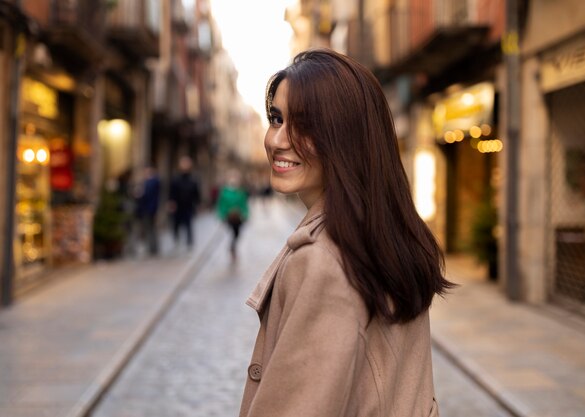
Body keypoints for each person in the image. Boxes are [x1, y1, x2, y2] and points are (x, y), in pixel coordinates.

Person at [238, 49, 455, 417]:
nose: (275, 140)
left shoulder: (323, 262)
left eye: (305, 125)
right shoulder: (387, 238)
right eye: (276, 118)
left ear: (346, 139)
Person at [168, 156, 200, 249]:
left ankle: (189, 242)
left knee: (189, 224)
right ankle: (176, 240)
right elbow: (171, 191)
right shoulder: (176, 178)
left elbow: (197, 193)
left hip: (189, 205)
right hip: (178, 205)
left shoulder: (193, 179)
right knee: (176, 224)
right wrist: (171, 202)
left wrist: (197, 203)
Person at [216, 170, 249, 260]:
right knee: (233, 232)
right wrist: (222, 215)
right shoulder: (224, 192)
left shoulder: (240, 191)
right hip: (229, 217)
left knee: (237, 233)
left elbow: (244, 204)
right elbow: (221, 204)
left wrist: (245, 214)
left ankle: (232, 246)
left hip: (238, 217)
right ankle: (232, 247)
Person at [135, 165, 161, 255]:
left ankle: (153, 248)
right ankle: (152, 248)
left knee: (150, 229)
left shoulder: (151, 183)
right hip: (148, 209)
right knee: (150, 229)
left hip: (149, 209)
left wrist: (140, 194)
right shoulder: (149, 182)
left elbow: (147, 196)